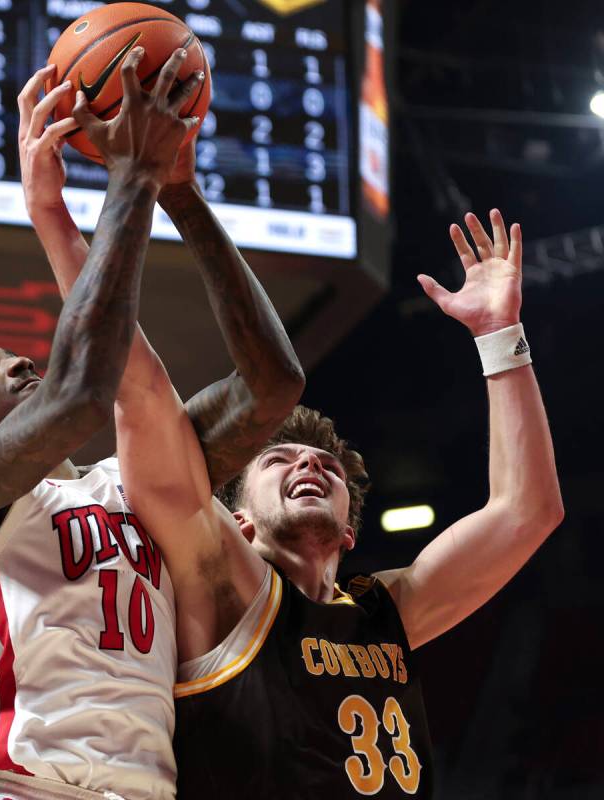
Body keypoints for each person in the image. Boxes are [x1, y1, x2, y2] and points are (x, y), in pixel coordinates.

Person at [0, 49, 303, 800]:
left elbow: (272, 385)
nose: (19, 365)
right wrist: (130, 178)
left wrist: (182, 195)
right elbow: (81, 394)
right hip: (29, 790)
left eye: (17, 357)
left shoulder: (129, 484)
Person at [114, 209, 564, 798]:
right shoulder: (222, 586)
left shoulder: (383, 611)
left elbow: (526, 510)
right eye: (280, 461)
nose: (309, 464)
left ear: (350, 530)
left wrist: (500, 337)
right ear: (239, 520)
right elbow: (143, 402)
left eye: (327, 466)